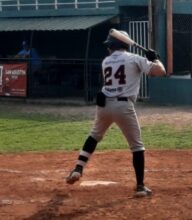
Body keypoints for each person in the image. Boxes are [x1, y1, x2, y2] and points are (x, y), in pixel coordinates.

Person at [65, 30, 167, 197]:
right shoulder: (134, 58)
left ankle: (78, 168)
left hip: (104, 105)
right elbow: (161, 72)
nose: (108, 49)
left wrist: (147, 59)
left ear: (114, 46)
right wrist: (154, 58)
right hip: (124, 106)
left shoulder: (106, 61)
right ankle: (140, 187)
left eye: (109, 45)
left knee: (94, 136)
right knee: (137, 146)